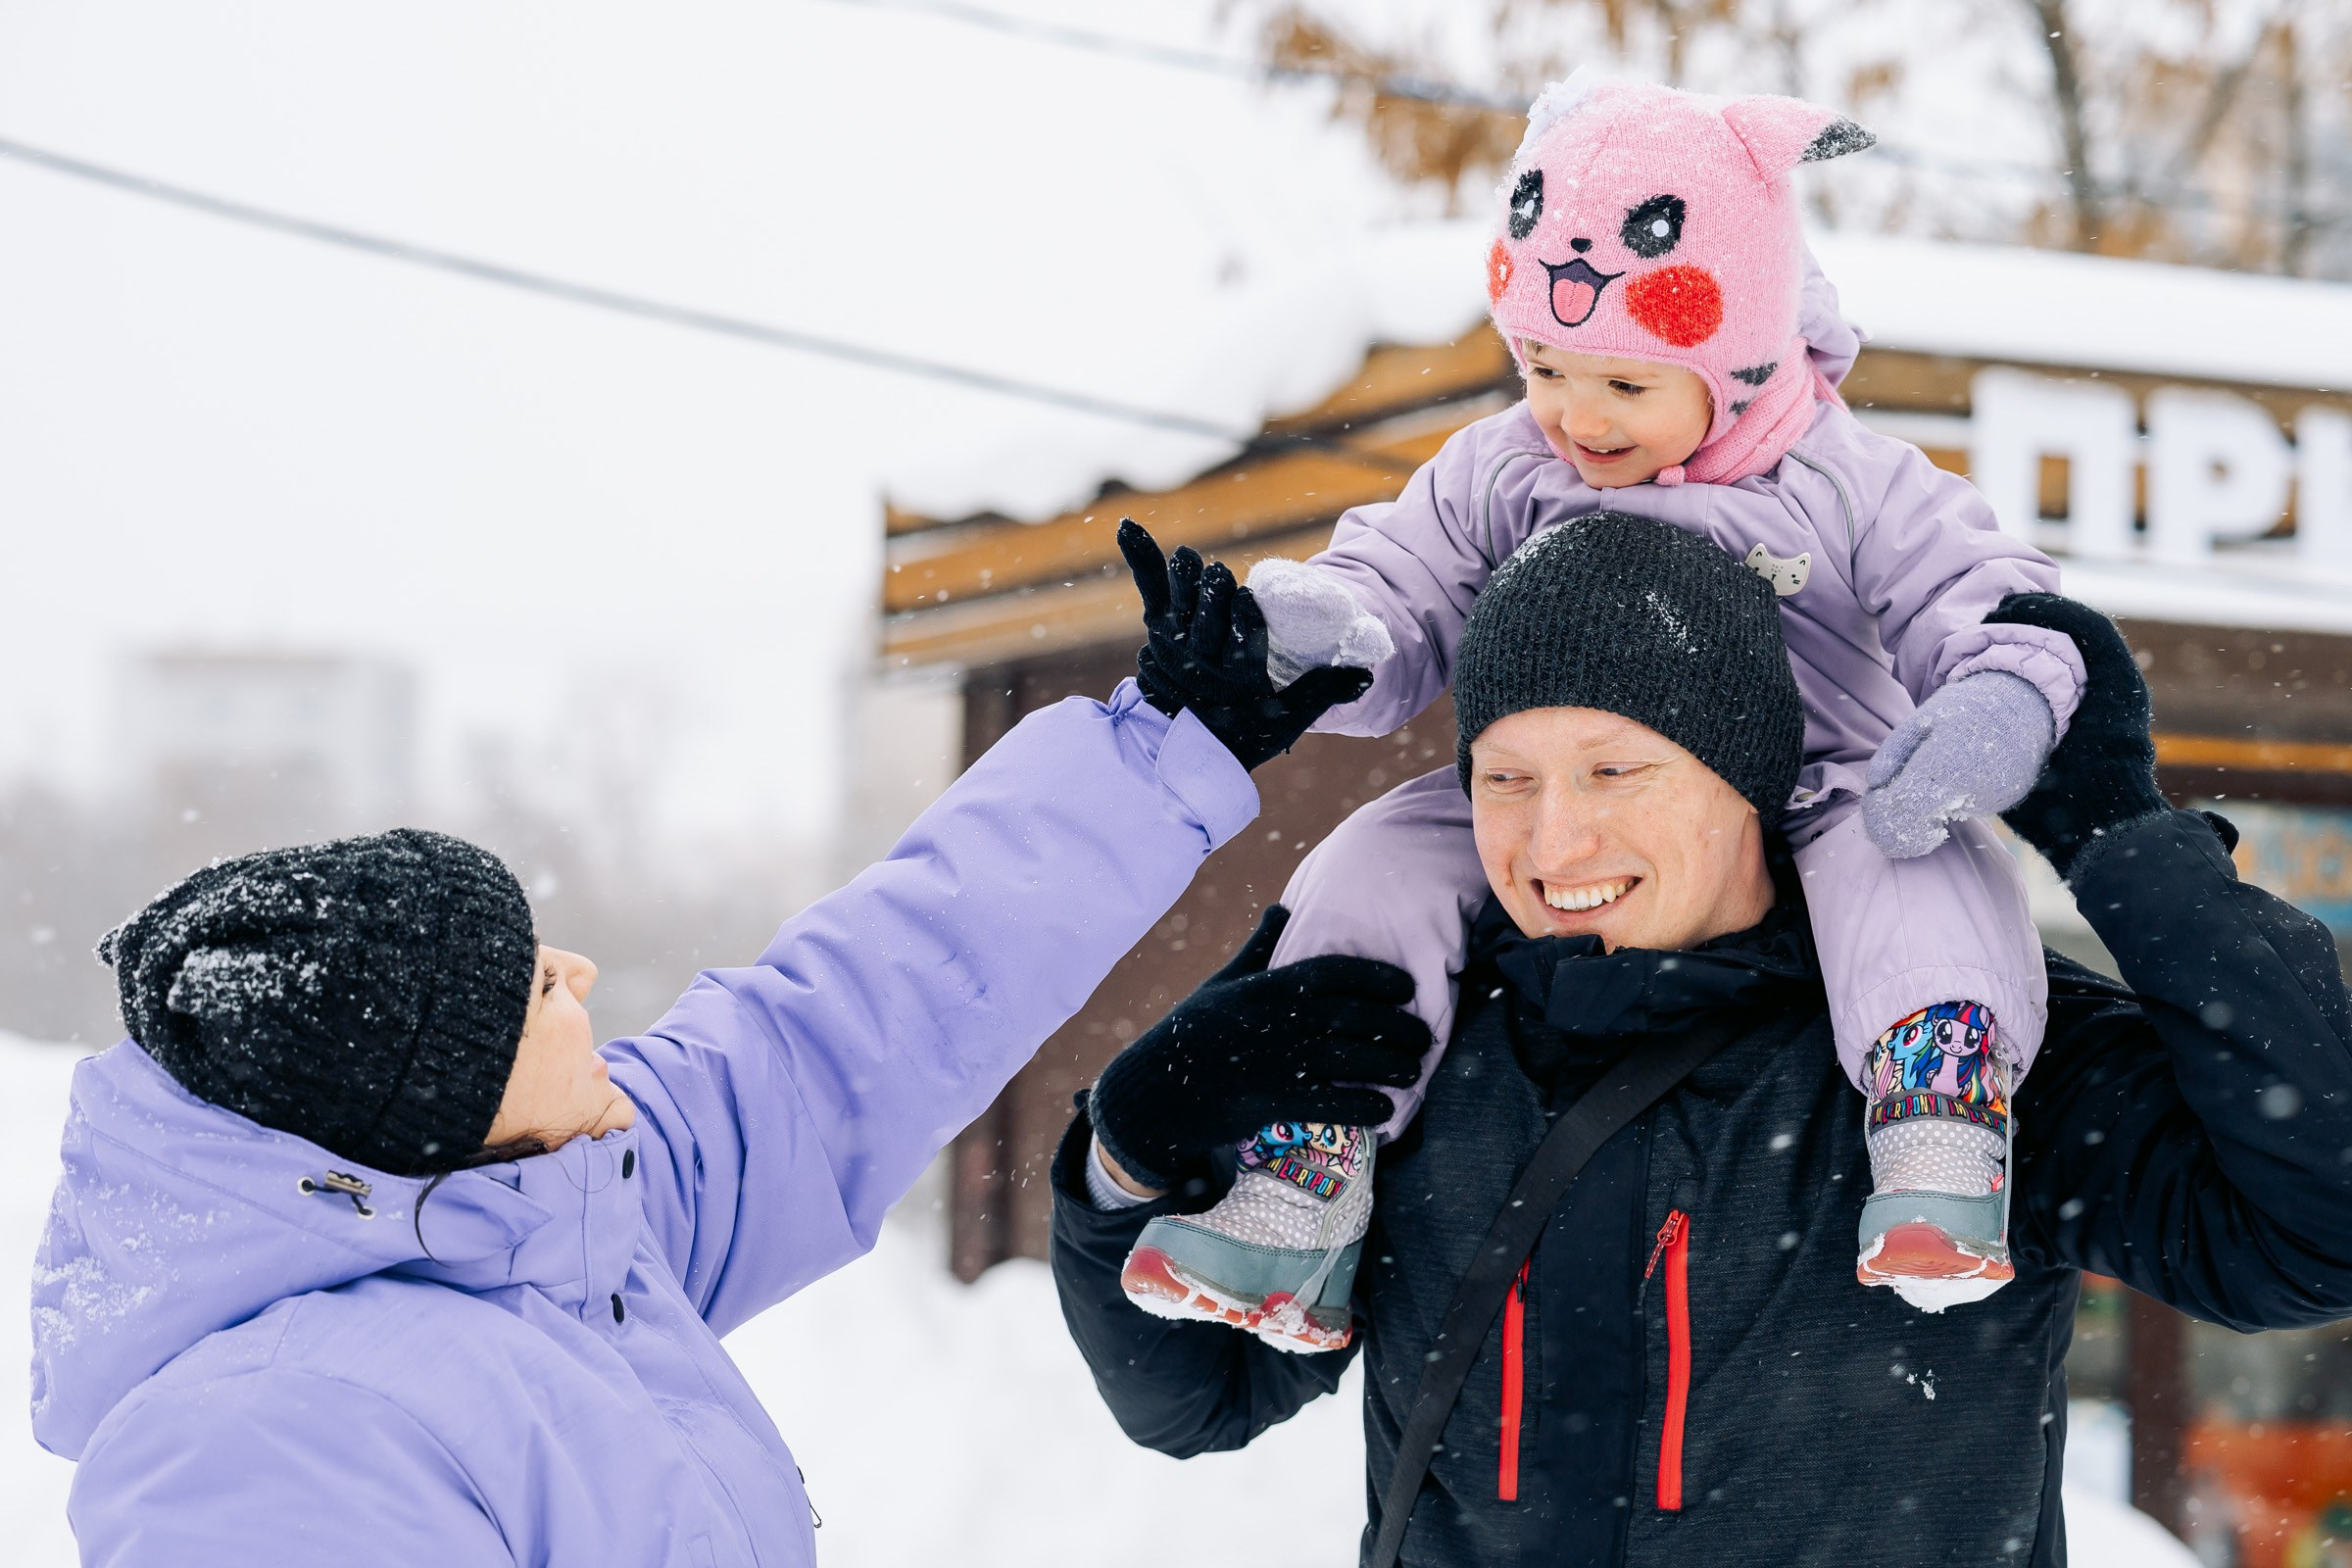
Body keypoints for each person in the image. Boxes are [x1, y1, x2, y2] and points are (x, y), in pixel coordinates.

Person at [27, 536, 1370, 1568]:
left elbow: (856, 1015)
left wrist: (1165, 751)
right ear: (432, 1111)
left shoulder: (551, 1212)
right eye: (535, 988)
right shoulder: (259, 1443)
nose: (581, 977)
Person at [1054, 514, 2352, 1565]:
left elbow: (2315, 1230)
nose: (1552, 842)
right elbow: (1191, 1398)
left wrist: (2123, 845)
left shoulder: (1953, 1046)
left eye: (1616, 772)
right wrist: (1128, 1152)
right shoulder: (1402, 1027)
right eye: (1506, 778)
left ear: (1747, 777)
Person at [1107, 74, 2087, 1348]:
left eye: (1626, 386)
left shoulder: (1842, 476)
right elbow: (1397, 586)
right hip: (1564, 785)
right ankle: (1305, 1177)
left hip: (1831, 776)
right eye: (1546, 366)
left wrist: (1997, 698)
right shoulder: (1509, 466)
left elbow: (1984, 589)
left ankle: (1939, 1125)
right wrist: (1307, 634)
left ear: (1742, 359)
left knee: (1921, 861)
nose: (1576, 416)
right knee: (1373, 860)